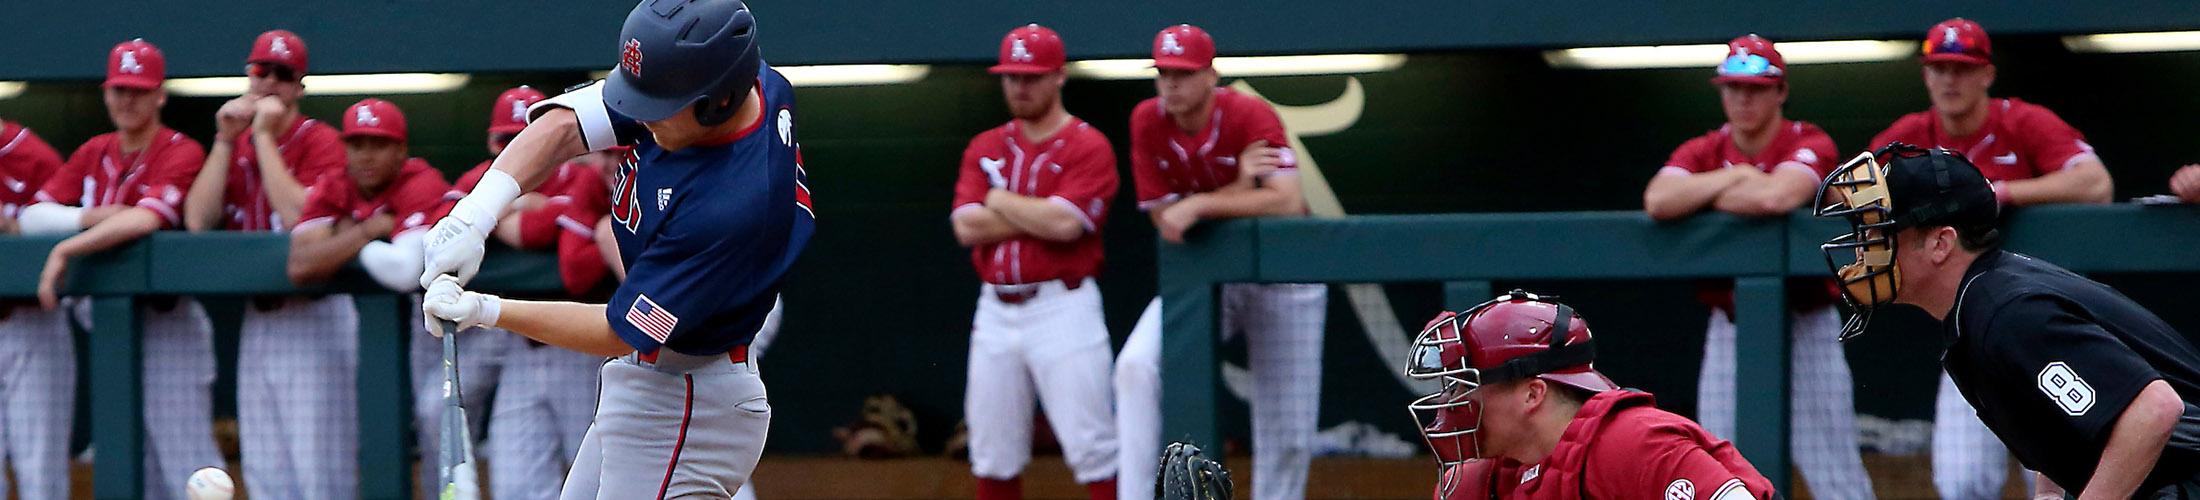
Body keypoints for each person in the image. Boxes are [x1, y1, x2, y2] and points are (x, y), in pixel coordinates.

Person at [418, 0, 813, 496]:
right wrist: (474, 217)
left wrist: (485, 309)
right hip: (655, 385)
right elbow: (564, 127)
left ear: (719, 100)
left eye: (656, 106)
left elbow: (617, 331)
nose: (638, 117)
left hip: (691, 402)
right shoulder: (739, 82)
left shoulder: (731, 206)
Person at [1815, 144, 2200, 497]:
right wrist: (2049, 494)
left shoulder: (2005, 313)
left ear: (1940, 243)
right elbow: (2068, 422)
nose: (1865, 249)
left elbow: (2155, 409)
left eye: (1883, 234)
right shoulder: (1983, 301)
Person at [1865, 19, 2116, 498]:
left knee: (2061, 475)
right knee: (1960, 482)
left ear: (1986, 74)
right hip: (1970, 324)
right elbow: (1863, 202)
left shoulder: (2022, 120)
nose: (1949, 80)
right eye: (1939, 68)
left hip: (2044, 321)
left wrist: (2002, 191)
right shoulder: (1912, 136)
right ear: (1925, 75)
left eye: (1962, 68)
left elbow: (2094, 183)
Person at [1639, 34, 1874, 499]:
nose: (1743, 99)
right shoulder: (1707, 148)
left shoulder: (1808, 139)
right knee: (1719, 462)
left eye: (1757, 88)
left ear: (1780, 91)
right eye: (1733, 88)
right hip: (1731, 325)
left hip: (1807, 325)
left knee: (1834, 470)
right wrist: (1736, 174)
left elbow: (1778, 194)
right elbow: (1659, 200)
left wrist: (1711, 194)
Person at [1113, 23, 1328, 500]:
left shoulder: (1250, 113)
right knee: (1135, 366)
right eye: (1163, 72)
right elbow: (1168, 222)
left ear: (1211, 75)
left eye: (1184, 73)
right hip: (1208, 274)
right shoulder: (1147, 120)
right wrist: (1235, 189)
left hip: (1284, 277)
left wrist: (1198, 205)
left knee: (1288, 434)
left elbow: (1287, 202)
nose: (1170, 83)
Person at [18, 39, 225, 500]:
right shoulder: (95, 150)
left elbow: (146, 219)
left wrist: (67, 248)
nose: (127, 100)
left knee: (190, 469)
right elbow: (33, 216)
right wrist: (93, 218)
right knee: (131, 466)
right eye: (119, 90)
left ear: (159, 95)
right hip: (110, 331)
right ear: (106, 93)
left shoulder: (181, 149)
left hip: (167, 327)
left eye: (138, 89)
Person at [178, 29, 356, 499]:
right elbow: (197, 220)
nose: (270, 83)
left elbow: (302, 217)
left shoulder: (320, 140)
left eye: (283, 75)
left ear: (299, 87)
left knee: (320, 473)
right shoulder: (232, 146)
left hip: (315, 318)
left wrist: (261, 138)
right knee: (265, 471)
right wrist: (223, 140)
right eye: (261, 72)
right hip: (260, 321)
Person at [950, 24, 1121, 500]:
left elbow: (1066, 225)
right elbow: (966, 227)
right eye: (1012, 77)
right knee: (991, 450)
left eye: (1032, 77)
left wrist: (1000, 199)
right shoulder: (985, 145)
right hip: (995, 308)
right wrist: (1037, 212)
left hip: (1062, 307)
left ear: (1059, 77)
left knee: (1094, 448)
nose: (1020, 87)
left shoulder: (1089, 144)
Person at [1406, 291, 1776, 500]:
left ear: (1532, 394)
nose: (1452, 401)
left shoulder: (1632, 444)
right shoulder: (1470, 483)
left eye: (1465, 386)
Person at [443, 86, 607, 499]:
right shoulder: (480, 182)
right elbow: (439, 227)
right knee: (516, 484)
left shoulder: (584, 176)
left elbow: (547, 242)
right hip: (518, 346)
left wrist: (499, 219)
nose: (515, 149)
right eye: (505, 140)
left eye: (524, 138)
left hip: (580, 348)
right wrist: (513, 210)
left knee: (602, 481)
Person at [0, 117, 70, 500]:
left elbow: (70, 237)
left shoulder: (34, 156)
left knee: (40, 474)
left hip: (30, 322)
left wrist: (15, 230)